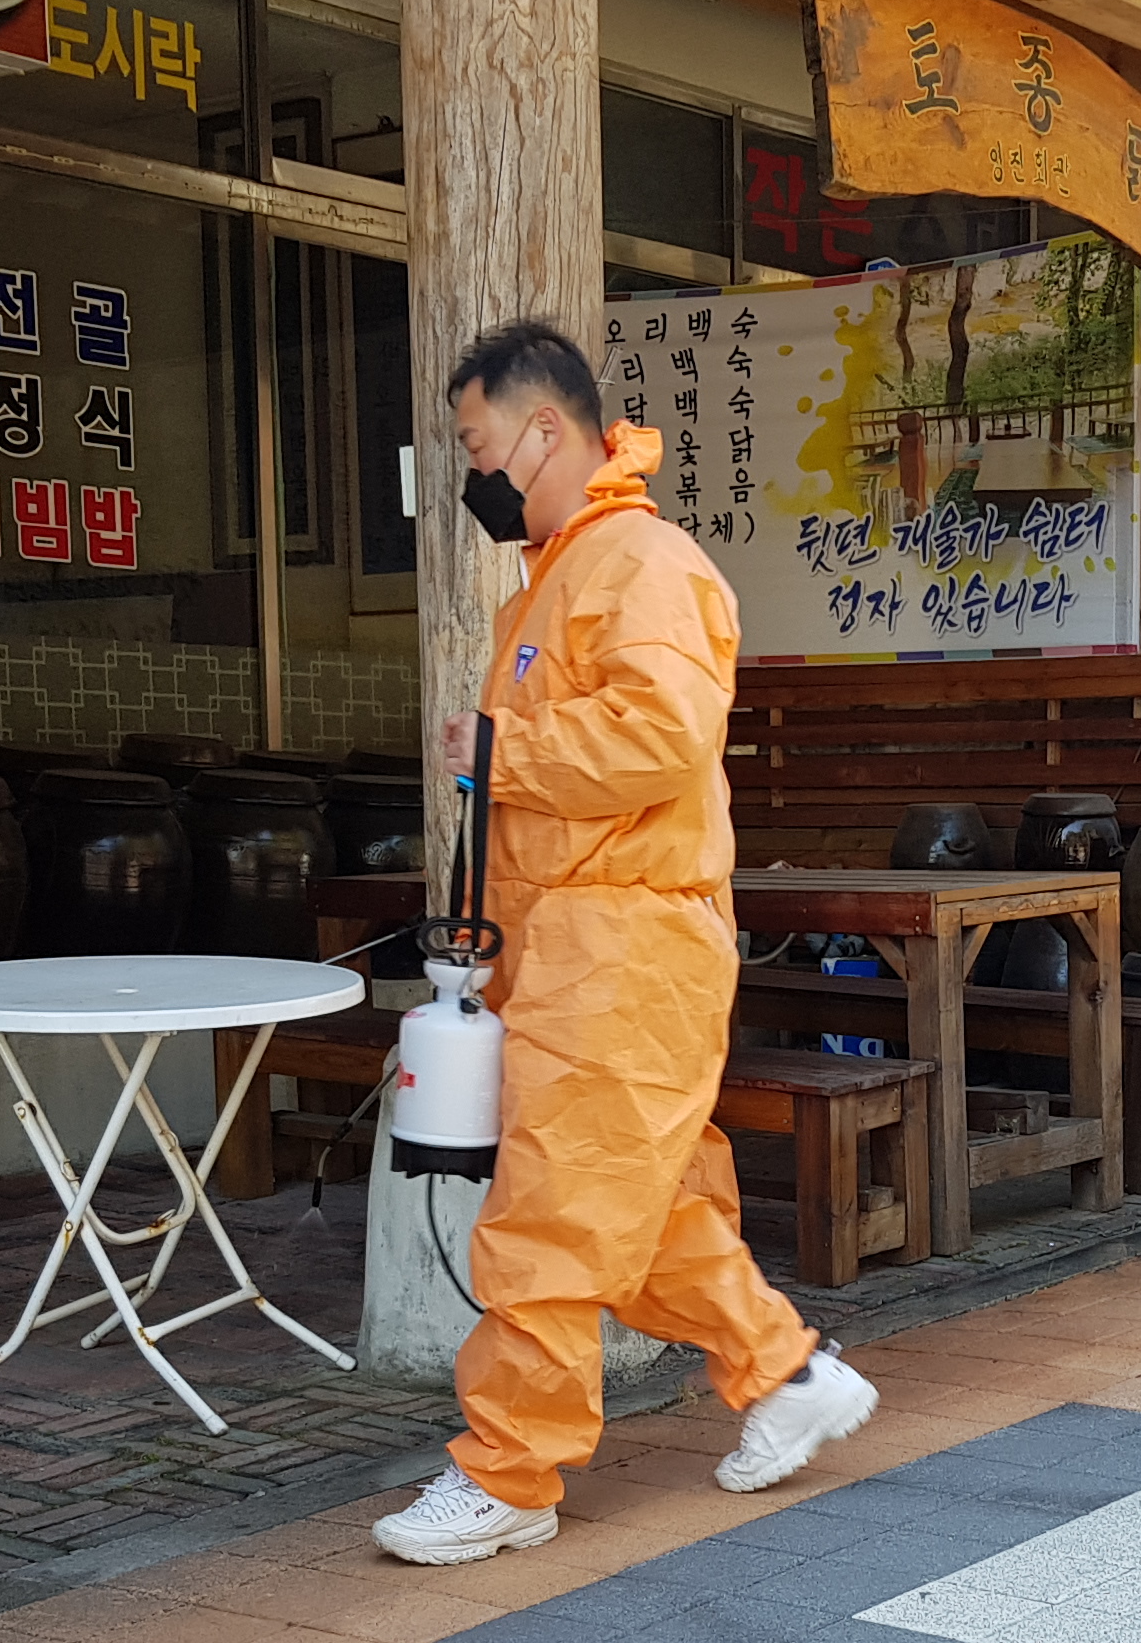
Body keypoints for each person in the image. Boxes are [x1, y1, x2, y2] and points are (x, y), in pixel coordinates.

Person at [370, 320, 878, 1565]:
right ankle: (786, 1374)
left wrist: (501, 753)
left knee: (549, 1214)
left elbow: (659, 740)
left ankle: (510, 1476)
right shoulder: (570, 570)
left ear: (545, 431)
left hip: (625, 941)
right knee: (643, 1208)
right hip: (590, 941)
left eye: (478, 444)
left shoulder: (638, 562)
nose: (471, 471)